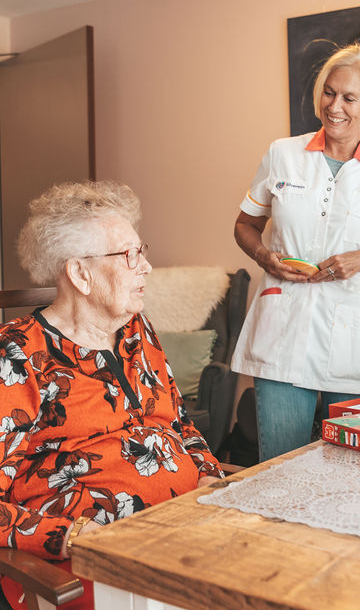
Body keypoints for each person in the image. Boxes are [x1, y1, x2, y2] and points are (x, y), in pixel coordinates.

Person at [0, 181, 223, 609]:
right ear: (80, 274)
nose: (147, 267)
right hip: (92, 567)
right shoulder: (18, 356)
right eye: (129, 256)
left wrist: (209, 475)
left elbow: (178, 424)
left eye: (142, 250)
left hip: (186, 533)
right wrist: (69, 537)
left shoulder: (137, 332)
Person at [232, 44, 360, 461]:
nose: (334, 106)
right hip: (282, 333)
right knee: (279, 468)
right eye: (329, 93)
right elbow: (245, 225)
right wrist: (263, 255)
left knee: (356, 471)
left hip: (354, 340)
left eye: (349, 97)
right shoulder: (282, 154)